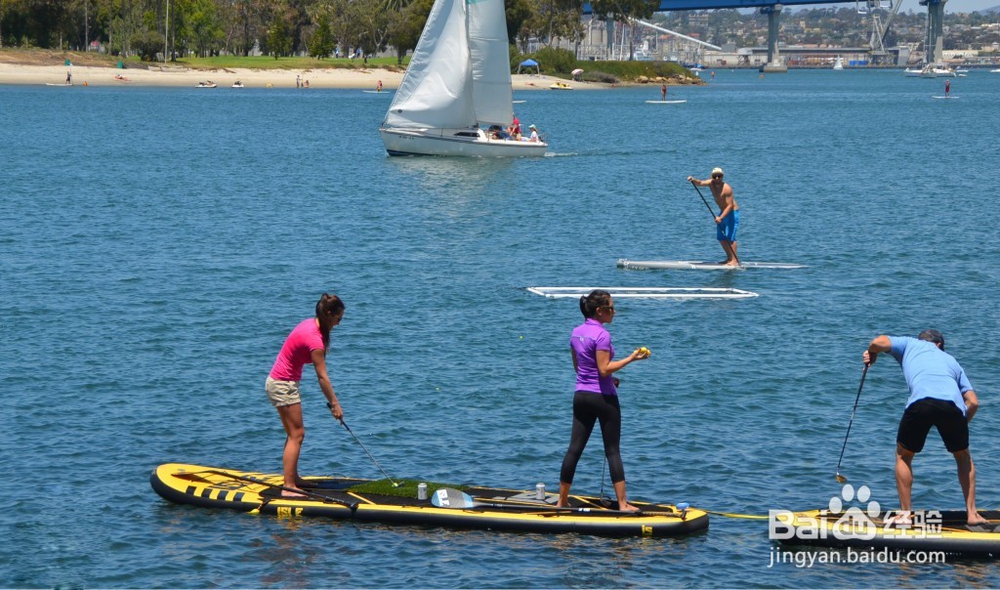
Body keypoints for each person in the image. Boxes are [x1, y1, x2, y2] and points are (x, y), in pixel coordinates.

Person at [863, 329, 985, 526]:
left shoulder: (909, 343)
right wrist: (957, 428)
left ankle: (904, 515)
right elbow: (973, 402)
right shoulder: (951, 361)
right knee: (963, 456)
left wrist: (872, 353)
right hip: (952, 407)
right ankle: (972, 514)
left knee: (904, 456)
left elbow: (878, 341)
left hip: (921, 403)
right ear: (939, 345)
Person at [557, 290, 650, 512]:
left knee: (574, 449)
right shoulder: (602, 336)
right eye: (611, 308)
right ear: (600, 311)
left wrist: (611, 377)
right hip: (603, 399)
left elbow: (580, 368)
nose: (614, 312)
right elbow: (604, 368)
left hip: (581, 396)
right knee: (612, 450)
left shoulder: (576, 332)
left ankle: (562, 501)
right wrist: (631, 358)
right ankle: (623, 503)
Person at [265, 293, 346, 497]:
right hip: (282, 385)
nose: (339, 323)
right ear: (329, 314)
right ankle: (289, 487)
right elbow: (322, 377)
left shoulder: (312, 325)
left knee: (294, 433)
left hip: (281, 382)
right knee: (297, 434)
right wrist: (335, 404)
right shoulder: (314, 338)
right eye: (338, 319)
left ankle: (292, 478)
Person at [686, 167, 740, 266]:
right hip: (723, 212)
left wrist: (720, 217)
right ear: (712, 177)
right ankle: (729, 259)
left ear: (722, 177)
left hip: (731, 213)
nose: (717, 178)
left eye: (719, 176)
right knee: (721, 237)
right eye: (715, 176)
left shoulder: (727, 188)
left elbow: (730, 206)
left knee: (730, 237)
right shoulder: (711, 183)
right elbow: (700, 183)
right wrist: (693, 180)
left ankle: (735, 261)